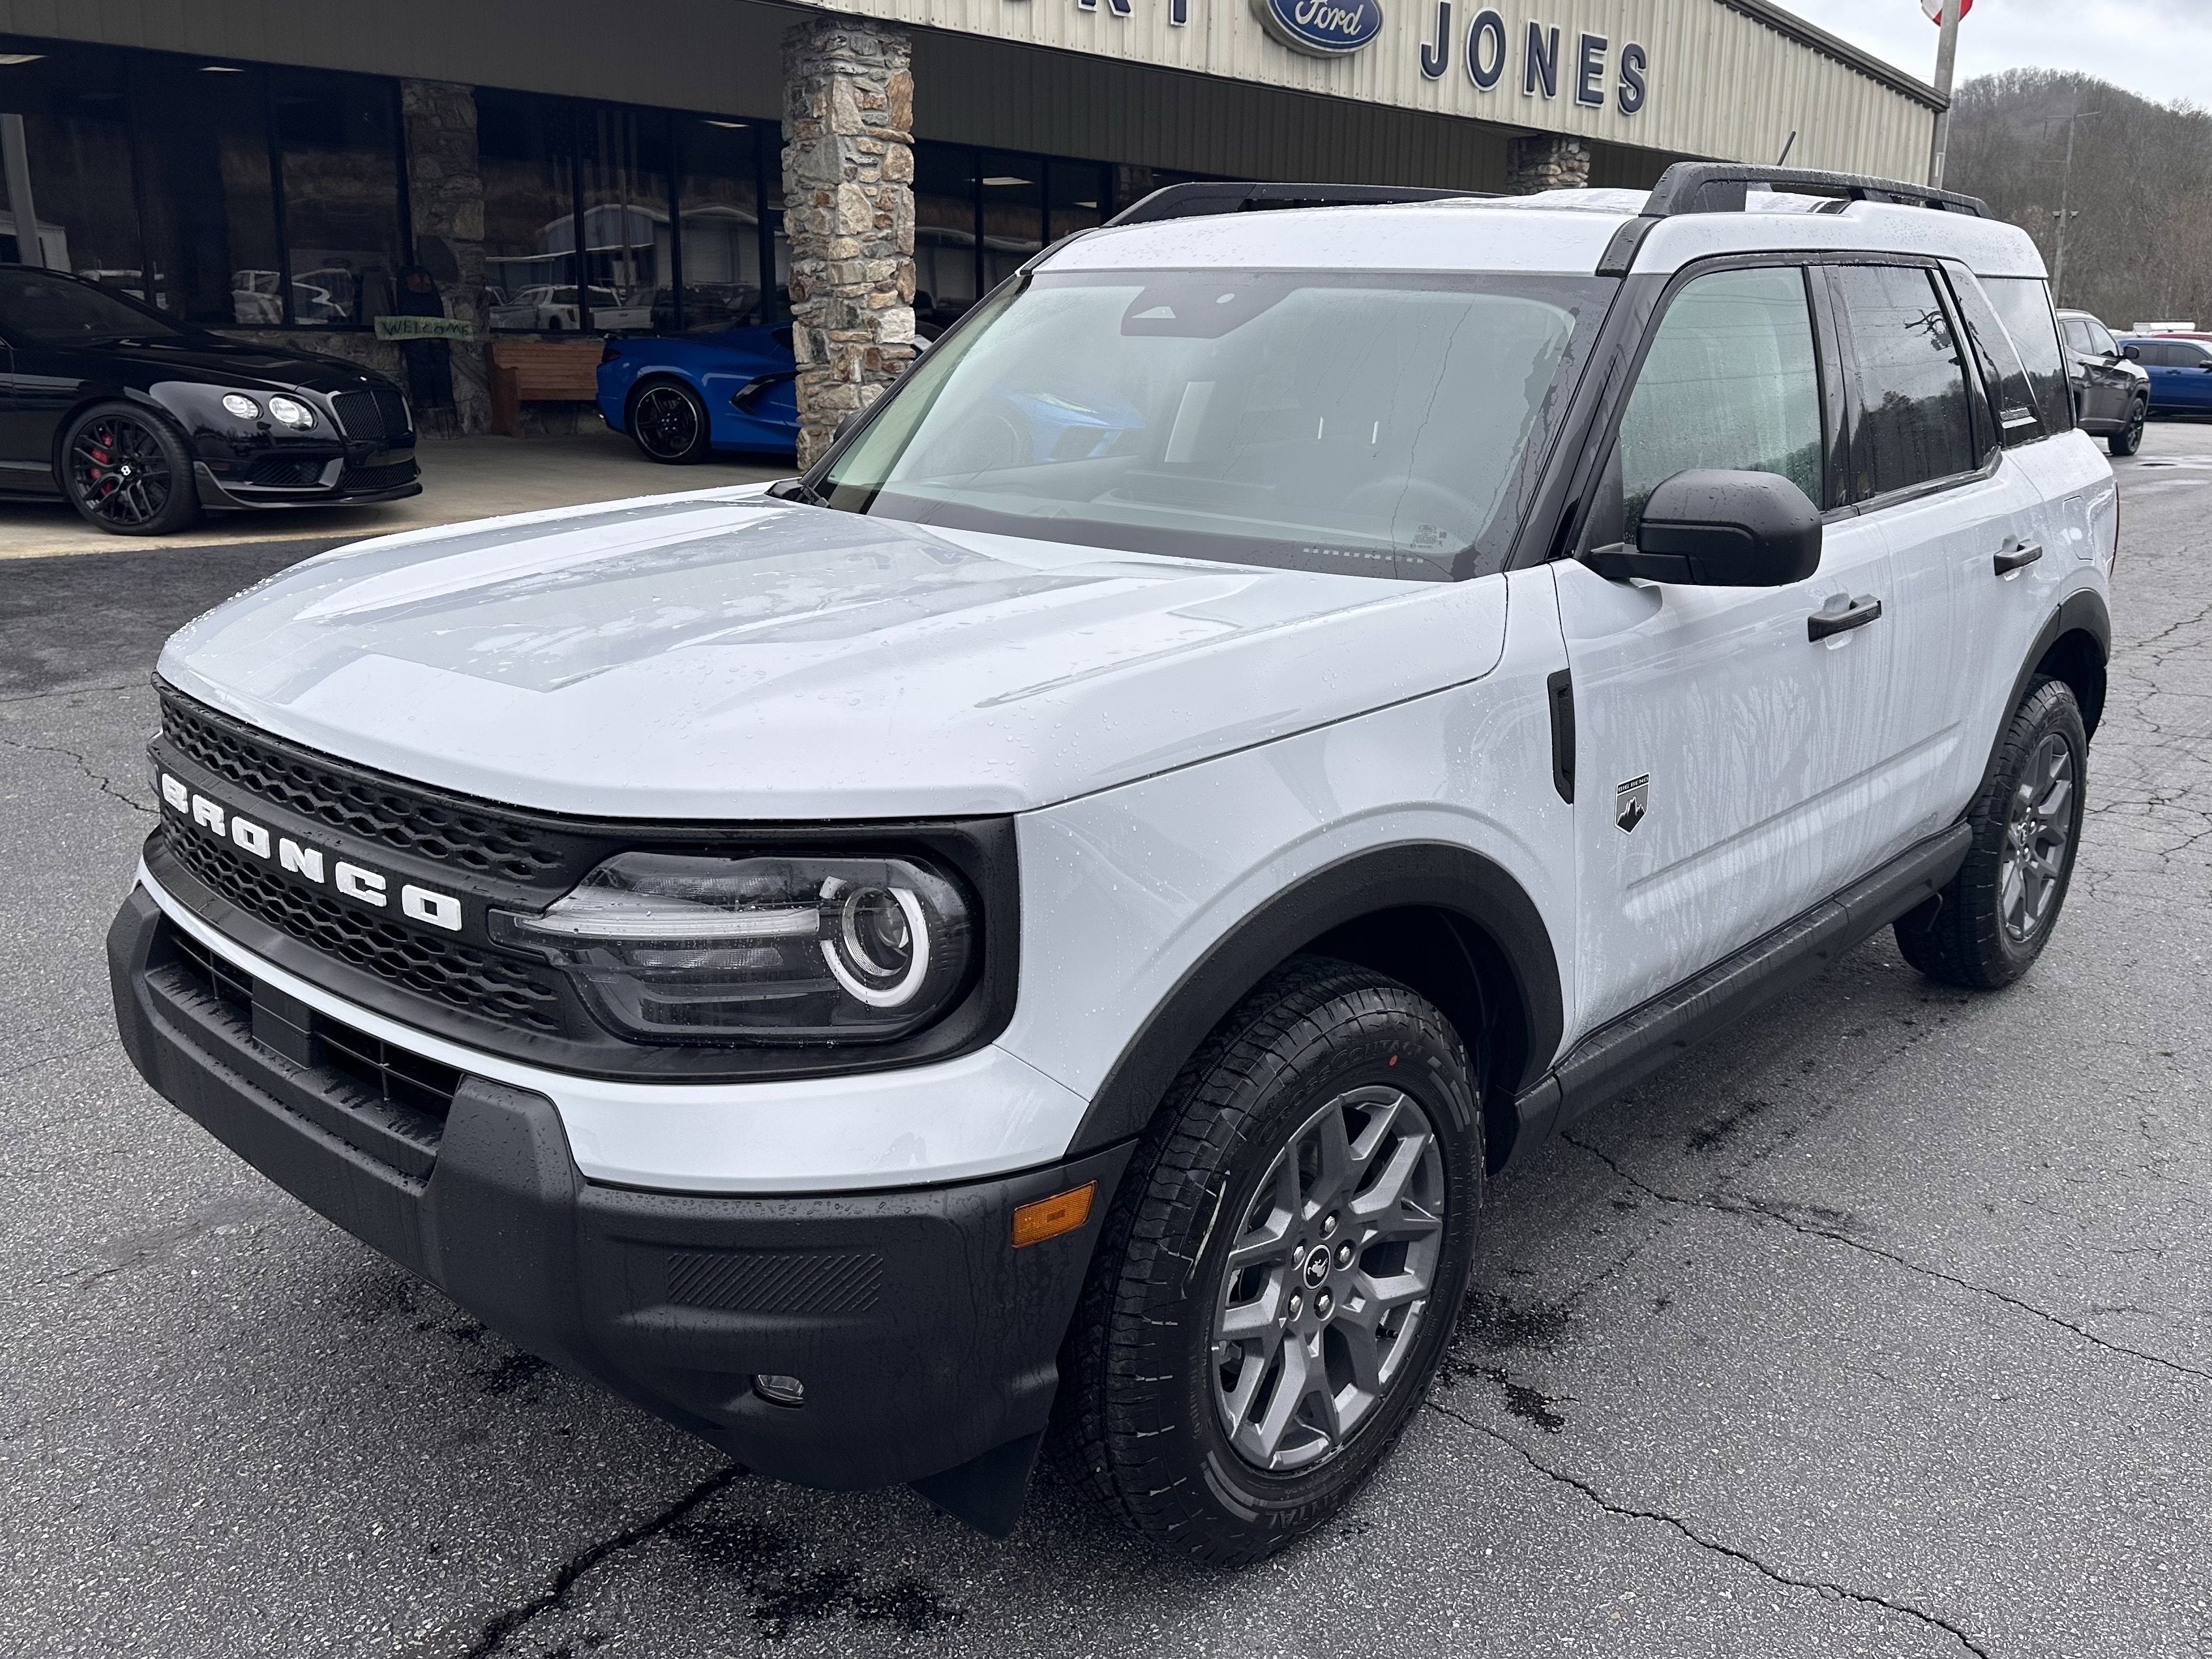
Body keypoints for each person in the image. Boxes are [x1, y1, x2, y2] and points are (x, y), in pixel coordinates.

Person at [394, 264, 455, 417]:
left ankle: (442, 399)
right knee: (420, 367)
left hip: (433, 337)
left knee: (439, 366)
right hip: (417, 339)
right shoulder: (408, 297)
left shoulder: (429, 299)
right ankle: (427, 400)